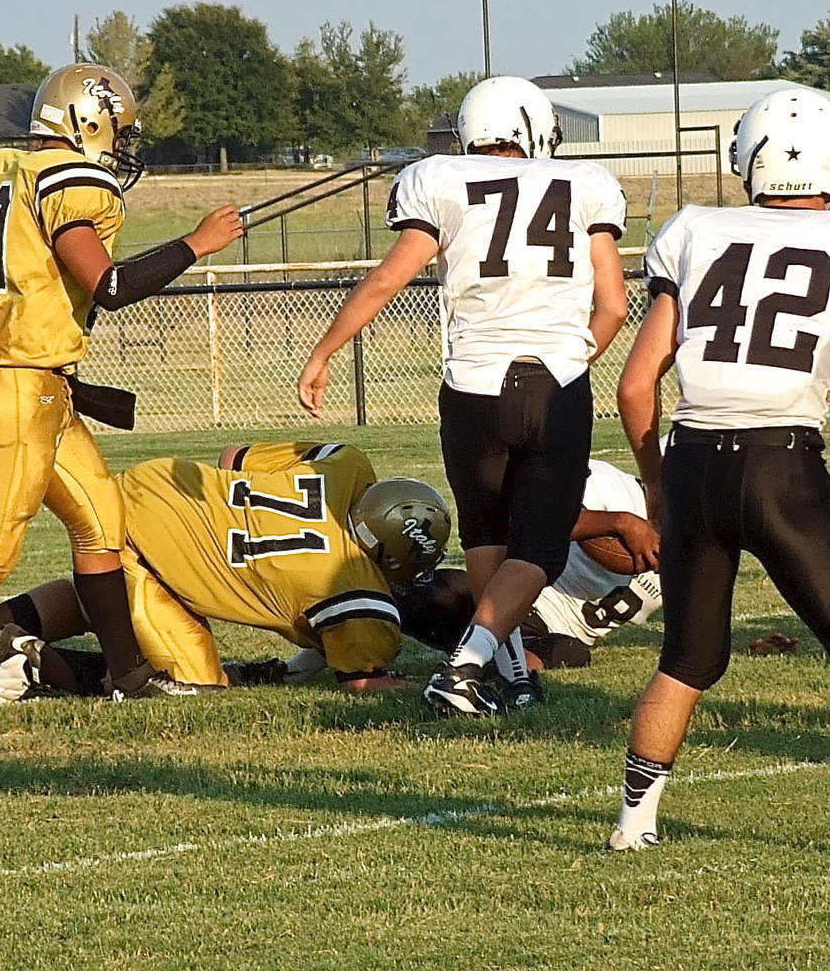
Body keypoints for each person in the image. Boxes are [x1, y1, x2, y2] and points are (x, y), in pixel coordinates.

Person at [0, 63, 244, 746]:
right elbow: (106, 285)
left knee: (101, 521)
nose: (125, 144)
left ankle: (127, 676)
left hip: (26, 382)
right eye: (120, 129)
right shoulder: (72, 183)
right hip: (18, 387)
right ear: (88, 120)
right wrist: (198, 243)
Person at [298, 76, 628, 714]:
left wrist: (324, 351)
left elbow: (391, 276)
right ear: (536, 130)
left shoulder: (439, 179)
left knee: (485, 531)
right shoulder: (584, 185)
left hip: (472, 386)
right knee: (540, 544)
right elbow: (613, 304)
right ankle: (466, 667)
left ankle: (512, 677)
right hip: (554, 383)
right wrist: (574, 354)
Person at [608, 86, 830, 851]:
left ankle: (633, 824)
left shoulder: (693, 228)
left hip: (694, 457)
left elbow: (635, 385)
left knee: (689, 657)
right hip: (783, 464)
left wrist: (655, 482)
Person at [0, 442, 451, 701]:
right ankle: (35, 670)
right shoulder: (357, 591)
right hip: (147, 547)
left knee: (101, 591)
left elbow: (234, 456)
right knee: (191, 686)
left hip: (152, 484)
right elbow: (361, 679)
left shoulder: (348, 466)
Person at [396, 458, 660, 671]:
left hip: (550, 634)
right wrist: (619, 522)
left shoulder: (692, 559)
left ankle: (487, 666)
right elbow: (536, 516)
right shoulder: (609, 485)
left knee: (570, 652)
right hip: (505, 597)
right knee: (421, 594)